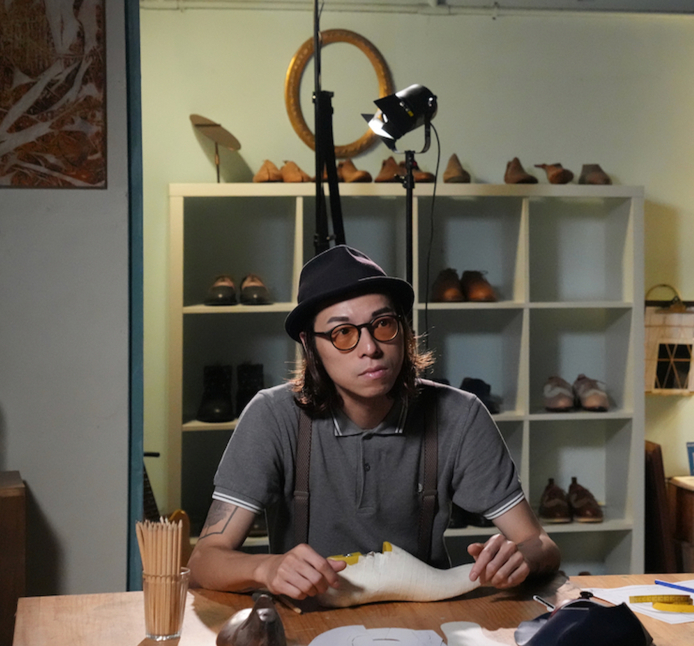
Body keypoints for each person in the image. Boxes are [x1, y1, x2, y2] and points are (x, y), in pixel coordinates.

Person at [188, 245, 561, 599]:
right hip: (309, 620)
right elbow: (205, 560)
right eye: (343, 333)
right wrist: (266, 569)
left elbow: (540, 544)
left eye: (383, 324)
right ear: (310, 344)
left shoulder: (459, 414)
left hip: (425, 620)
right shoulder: (273, 416)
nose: (371, 348)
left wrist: (521, 558)